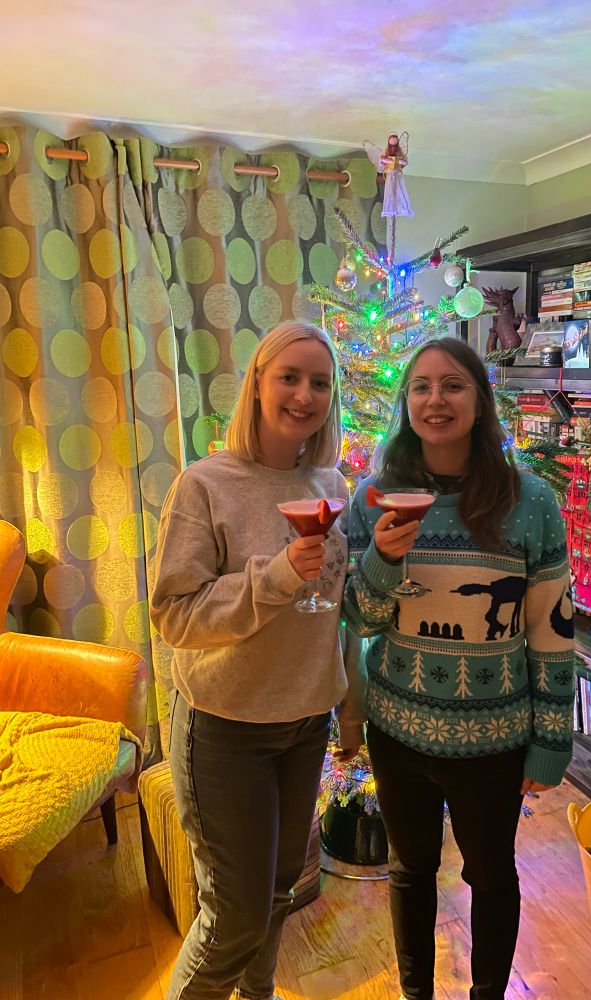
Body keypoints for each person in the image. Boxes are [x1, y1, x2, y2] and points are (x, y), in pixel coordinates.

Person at [343, 337, 575, 1000]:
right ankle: (416, 993)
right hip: (398, 729)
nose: (435, 399)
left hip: (493, 740)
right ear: (406, 401)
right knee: (410, 870)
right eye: (421, 386)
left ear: (479, 403)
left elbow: (551, 632)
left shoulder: (530, 503)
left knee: (493, 876)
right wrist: (384, 559)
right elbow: (359, 620)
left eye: (452, 386)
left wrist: (549, 744)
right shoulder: (373, 498)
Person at [150, 320, 363, 1000]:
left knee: (277, 892)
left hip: (303, 726)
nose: (305, 395)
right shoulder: (204, 485)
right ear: (258, 386)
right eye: (290, 377)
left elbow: (339, 611)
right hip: (225, 731)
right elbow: (174, 614)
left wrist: (348, 712)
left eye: (320, 383)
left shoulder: (334, 485)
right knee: (232, 918)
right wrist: (271, 580)